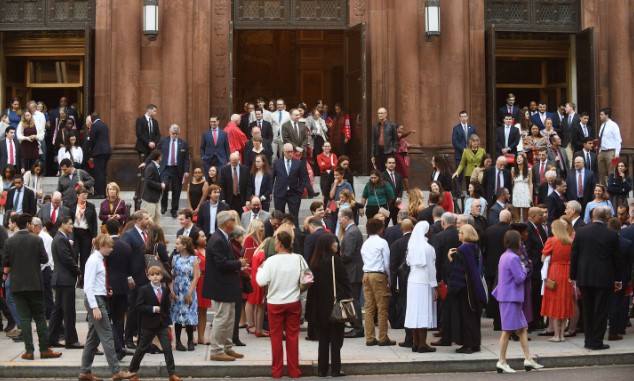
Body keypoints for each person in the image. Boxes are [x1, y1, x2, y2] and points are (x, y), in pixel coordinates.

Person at [2, 213, 62, 360]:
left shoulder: (10, 242)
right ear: (29, 224)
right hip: (35, 284)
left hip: (17, 285)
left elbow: (6, 265)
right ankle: (44, 349)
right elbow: (45, 259)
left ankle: (29, 351)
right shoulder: (37, 239)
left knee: (24, 319)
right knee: (40, 317)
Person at [79, 234, 136, 380]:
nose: (111, 249)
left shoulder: (99, 260)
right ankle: (116, 371)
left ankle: (85, 372)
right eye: (109, 246)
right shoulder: (94, 261)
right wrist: (95, 307)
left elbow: (96, 283)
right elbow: (88, 286)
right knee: (107, 335)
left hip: (100, 298)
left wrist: (106, 290)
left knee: (93, 338)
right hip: (96, 301)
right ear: (101, 246)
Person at [570, 206, 623, 350]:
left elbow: (574, 255)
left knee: (587, 310)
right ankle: (597, 341)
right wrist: (618, 279)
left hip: (585, 276)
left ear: (592, 216)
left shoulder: (581, 232)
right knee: (600, 310)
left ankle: (589, 340)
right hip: (604, 278)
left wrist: (573, 276)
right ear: (606, 217)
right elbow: (617, 259)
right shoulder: (611, 234)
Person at [255, 230, 305, 378]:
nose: (274, 243)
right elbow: (307, 276)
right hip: (293, 301)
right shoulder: (298, 258)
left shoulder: (270, 261)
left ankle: (277, 371)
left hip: (275, 302)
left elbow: (261, 281)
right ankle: (294, 370)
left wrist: (260, 269)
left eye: (276, 241)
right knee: (293, 336)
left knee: (276, 337)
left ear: (281, 244)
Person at [492, 230, 544, 373]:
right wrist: (524, 268)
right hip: (511, 297)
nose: (522, 243)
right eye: (520, 241)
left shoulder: (504, 255)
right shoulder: (514, 258)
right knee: (507, 330)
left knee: (522, 329)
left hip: (508, 296)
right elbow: (520, 278)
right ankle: (502, 361)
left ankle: (528, 359)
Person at [435, 224, 486, 354]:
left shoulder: (463, 249)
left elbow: (458, 271)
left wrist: (450, 259)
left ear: (464, 235)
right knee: (473, 317)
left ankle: (468, 345)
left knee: (465, 317)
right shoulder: (474, 247)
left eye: (460, 233)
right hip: (473, 287)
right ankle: (475, 343)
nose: (458, 235)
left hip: (463, 290)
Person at [203, 211, 246, 362]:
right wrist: (238, 263)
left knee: (229, 318)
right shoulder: (217, 239)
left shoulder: (223, 237)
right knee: (222, 317)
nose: (235, 222)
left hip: (227, 285)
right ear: (227, 222)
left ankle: (226, 346)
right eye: (233, 220)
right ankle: (216, 350)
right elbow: (221, 264)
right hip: (221, 286)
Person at [308, 234, 352, 377]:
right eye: (334, 242)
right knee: (336, 339)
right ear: (328, 245)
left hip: (320, 308)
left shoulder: (315, 263)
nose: (336, 244)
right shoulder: (335, 261)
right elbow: (345, 282)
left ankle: (322, 369)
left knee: (323, 339)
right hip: (335, 306)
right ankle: (335, 369)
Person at [128, 266, 182, 381]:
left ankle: (172, 374)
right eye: (152, 275)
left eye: (157, 274)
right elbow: (139, 306)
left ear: (162, 276)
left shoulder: (165, 289)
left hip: (162, 324)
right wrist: (152, 309)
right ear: (148, 277)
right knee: (141, 349)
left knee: (167, 348)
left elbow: (166, 308)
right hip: (148, 325)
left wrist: (169, 323)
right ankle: (131, 372)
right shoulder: (144, 289)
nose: (155, 277)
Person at [48, 215, 82, 348]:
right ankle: (71, 340)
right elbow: (67, 259)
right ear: (62, 224)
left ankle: (51, 338)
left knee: (59, 311)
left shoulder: (60, 238)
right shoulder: (61, 239)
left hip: (61, 279)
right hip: (64, 279)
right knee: (68, 311)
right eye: (70, 224)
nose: (72, 226)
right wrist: (78, 271)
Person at [405, 221, 438, 353]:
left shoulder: (412, 245)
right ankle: (422, 343)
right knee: (423, 311)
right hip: (424, 282)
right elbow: (431, 269)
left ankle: (416, 342)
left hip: (412, 281)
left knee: (414, 312)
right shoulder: (428, 248)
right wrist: (435, 286)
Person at [360, 218, 393, 346]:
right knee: (382, 307)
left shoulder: (366, 243)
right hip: (378, 275)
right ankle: (383, 337)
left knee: (369, 307)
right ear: (380, 229)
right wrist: (389, 277)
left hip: (366, 274)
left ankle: (370, 337)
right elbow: (386, 262)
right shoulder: (382, 242)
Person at [104, 219, 134, 360]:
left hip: (108, 286)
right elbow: (129, 267)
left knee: (107, 318)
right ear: (120, 229)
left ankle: (115, 346)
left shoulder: (106, 246)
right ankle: (120, 344)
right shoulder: (126, 246)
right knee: (119, 318)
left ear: (106, 229)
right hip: (122, 286)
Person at [540, 219, 575, 342]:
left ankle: (556, 335)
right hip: (567, 272)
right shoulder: (570, 241)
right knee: (565, 302)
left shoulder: (551, 241)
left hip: (554, 271)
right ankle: (562, 335)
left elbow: (543, 257)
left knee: (555, 303)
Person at [170, 235, 200, 352]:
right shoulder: (175, 258)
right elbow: (172, 275)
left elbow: (196, 277)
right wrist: (172, 290)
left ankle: (190, 340)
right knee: (178, 315)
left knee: (189, 314)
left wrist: (190, 292)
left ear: (185, 245)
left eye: (178, 244)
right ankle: (178, 341)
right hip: (177, 287)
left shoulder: (193, 259)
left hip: (188, 287)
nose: (176, 246)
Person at [154, 124, 190, 218]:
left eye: (176, 134)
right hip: (165, 168)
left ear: (178, 133)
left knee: (176, 190)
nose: (174, 135)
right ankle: (164, 206)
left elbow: (186, 158)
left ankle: (174, 210)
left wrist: (186, 171)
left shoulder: (183, 143)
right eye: (173, 133)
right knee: (164, 187)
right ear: (170, 132)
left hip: (177, 169)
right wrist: (151, 163)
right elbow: (156, 153)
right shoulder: (163, 141)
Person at [271, 143, 313, 224]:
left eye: (291, 151)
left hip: (294, 193)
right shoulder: (277, 163)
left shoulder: (298, 163)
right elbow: (272, 177)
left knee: (294, 216)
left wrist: (300, 190)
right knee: (279, 216)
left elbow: (303, 178)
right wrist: (270, 191)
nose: (290, 153)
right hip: (280, 193)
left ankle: (295, 234)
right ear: (283, 152)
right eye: (288, 152)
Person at [70, 187, 99, 274]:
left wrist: (94, 236)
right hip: (75, 233)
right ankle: (75, 275)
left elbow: (94, 222)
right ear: (78, 195)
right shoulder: (72, 207)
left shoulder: (91, 206)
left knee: (85, 257)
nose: (85, 197)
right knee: (74, 255)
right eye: (83, 195)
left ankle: (83, 278)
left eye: (86, 195)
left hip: (86, 233)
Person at [192, 230, 212, 345]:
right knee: (194, 309)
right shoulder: (193, 252)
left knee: (203, 310)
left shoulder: (207, 250)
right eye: (202, 236)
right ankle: (192, 336)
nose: (205, 238)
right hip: (196, 280)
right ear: (196, 239)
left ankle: (201, 336)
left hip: (206, 280)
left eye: (205, 236)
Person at [86, 112, 112, 198]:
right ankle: (104, 192)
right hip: (107, 151)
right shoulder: (104, 124)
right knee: (103, 172)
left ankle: (100, 193)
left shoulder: (95, 126)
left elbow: (92, 139)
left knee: (98, 173)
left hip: (99, 152)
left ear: (92, 119)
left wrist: (90, 148)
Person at [219, 152, 252, 216]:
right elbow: (222, 186)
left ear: (239, 160)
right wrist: (223, 199)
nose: (234, 164)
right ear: (229, 160)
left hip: (241, 198)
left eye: (236, 162)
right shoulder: (224, 170)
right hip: (229, 199)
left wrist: (248, 199)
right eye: (233, 162)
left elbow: (249, 186)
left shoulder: (245, 169)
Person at [597, 108, 621, 186]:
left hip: (610, 151)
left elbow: (618, 140)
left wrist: (617, 153)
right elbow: (601, 138)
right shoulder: (602, 125)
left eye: (602, 114)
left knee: (611, 172)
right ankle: (603, 189)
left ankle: (612, 189)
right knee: (601, 173)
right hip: (602, 151)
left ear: (607, 115)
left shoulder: (613, 125)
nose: (600, 116)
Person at [140, 149, 165, 224]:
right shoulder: (151, 167)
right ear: (159, 157)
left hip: (155, 197)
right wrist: (160, 185)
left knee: (157, 215)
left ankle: (156, 233)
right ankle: (149, 234)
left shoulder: (155, 166)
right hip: (150, 197)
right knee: (150, 217)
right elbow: (148, 181)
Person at [382, 157, 404, 225]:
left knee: (397, 225)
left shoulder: (398, 175)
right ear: (386, 164)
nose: (391, 164)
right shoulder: (382, 175)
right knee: (384, 225)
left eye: (393, 163)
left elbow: (401, 188)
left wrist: (399, 197)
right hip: (387, 205)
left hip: (396, 206)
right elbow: (384, 190)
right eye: (389, 163)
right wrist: (395, 199)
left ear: (395, 164)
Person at [512, 153, 533, 221]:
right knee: (517, 217)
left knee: (525, 217)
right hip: (516, 192)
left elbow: (530, 184)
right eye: (517, 158)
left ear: (524, 159)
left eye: (520, 157)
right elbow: (512, 183)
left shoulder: (529, 170)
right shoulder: (513, 170)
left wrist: (531, 196)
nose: (518, 159)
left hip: (525, 192)